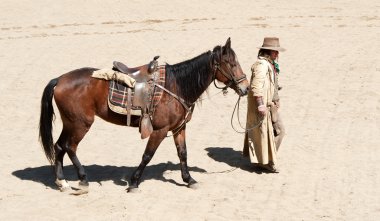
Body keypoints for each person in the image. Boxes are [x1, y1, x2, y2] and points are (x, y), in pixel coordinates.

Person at [243, 37, 285, 173]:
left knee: (277, 131)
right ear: (268, 52)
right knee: (271, 132)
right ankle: (266, 161)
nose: (277, 54)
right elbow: (256, 87)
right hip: (262, 106)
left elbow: (272, 85)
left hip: (270, 105)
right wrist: (260, 105)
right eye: (275, 52)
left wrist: (276, 99)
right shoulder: (261, 65)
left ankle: (266, 159)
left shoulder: (271, 64)